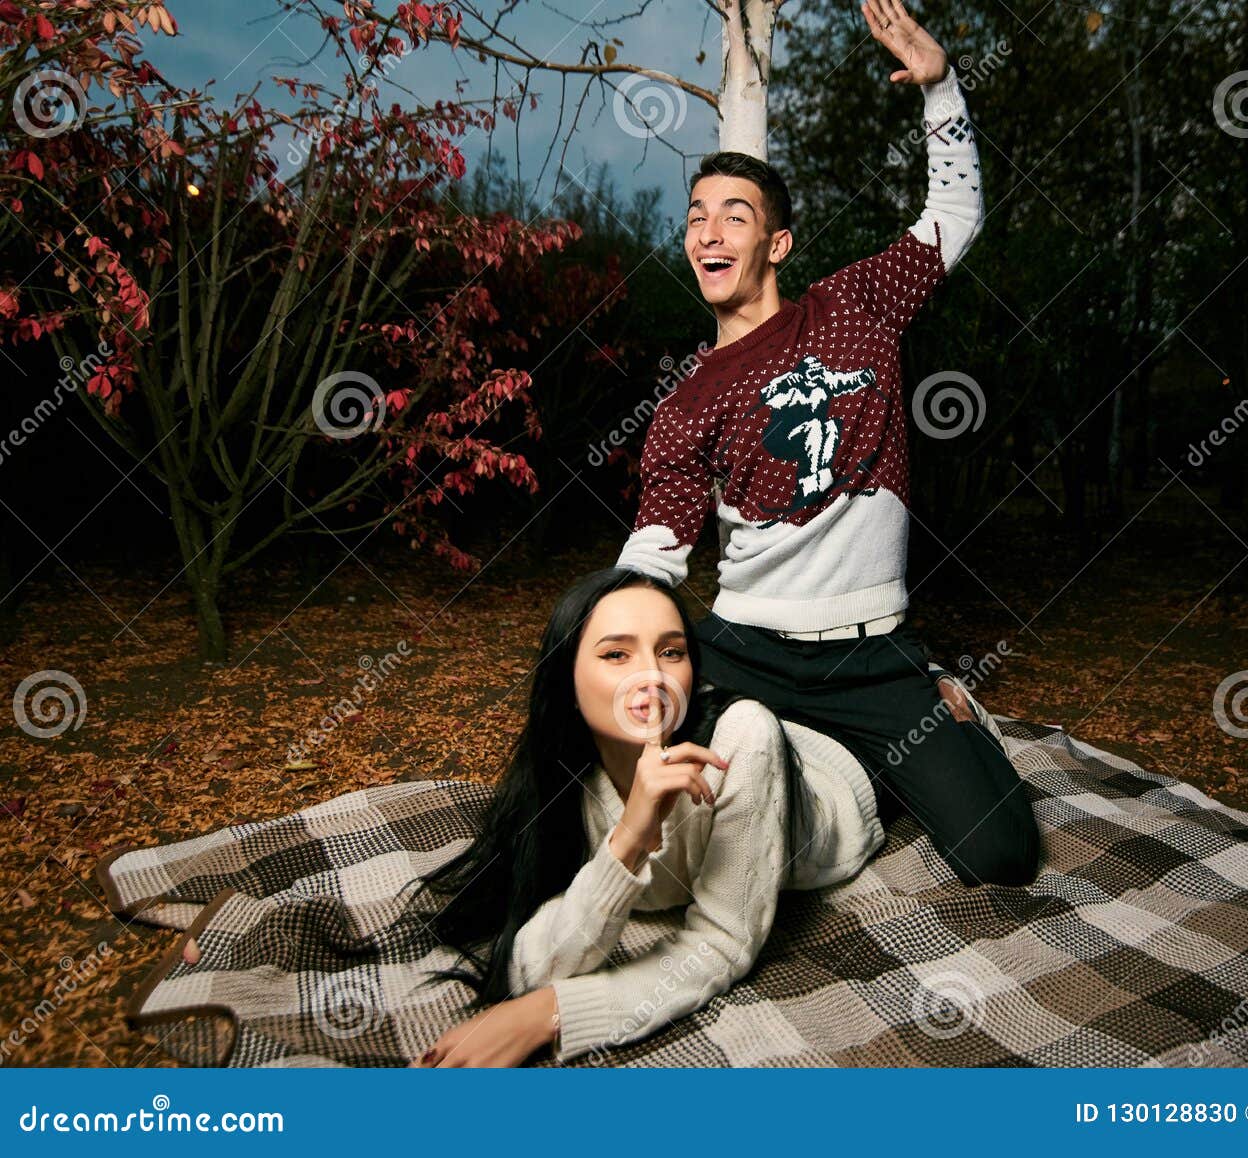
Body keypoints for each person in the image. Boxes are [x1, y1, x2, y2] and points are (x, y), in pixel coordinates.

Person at [615, 0, 1038, 886]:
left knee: (1003, 854)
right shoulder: (687, 402)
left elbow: (954, 216)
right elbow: (655, 556)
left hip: (873, 657)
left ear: (777, 243)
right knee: (681, 844)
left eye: (735, 215)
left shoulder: (853, 306)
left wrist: (941, 87)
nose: (708, 232)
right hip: (743, 654)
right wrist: (620, 647)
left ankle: (944, 716)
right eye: (696, 217)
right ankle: (822, 770)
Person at [410, 567, 884, 1066]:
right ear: (567, 680)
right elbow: (535, 958)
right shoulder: (565, 775)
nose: (652, 677)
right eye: (617, 654)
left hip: (843, 766)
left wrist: (551, 1015)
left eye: (671, 652)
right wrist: (631, 833)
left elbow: (725, 942)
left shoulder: (744, 740)